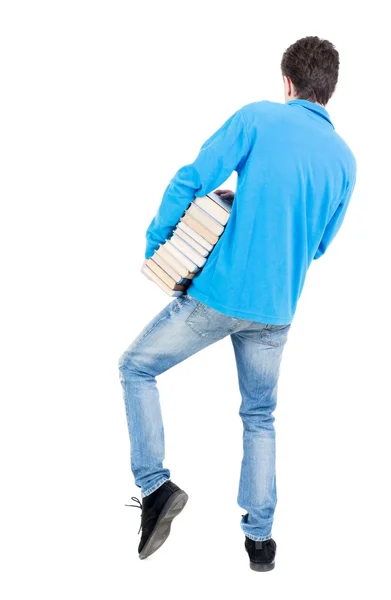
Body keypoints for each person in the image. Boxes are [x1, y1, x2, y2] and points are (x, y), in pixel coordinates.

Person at [118, 35, 357, 572]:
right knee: (259, 415)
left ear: (288, 82)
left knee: (135, 367)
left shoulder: (257, 118)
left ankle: (155, 487)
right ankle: (260, 541)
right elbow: (318, 244)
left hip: (218, 295)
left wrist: (158, 245)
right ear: (330, 91)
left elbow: (191, 178)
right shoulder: (345, 160)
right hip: (276, 310)